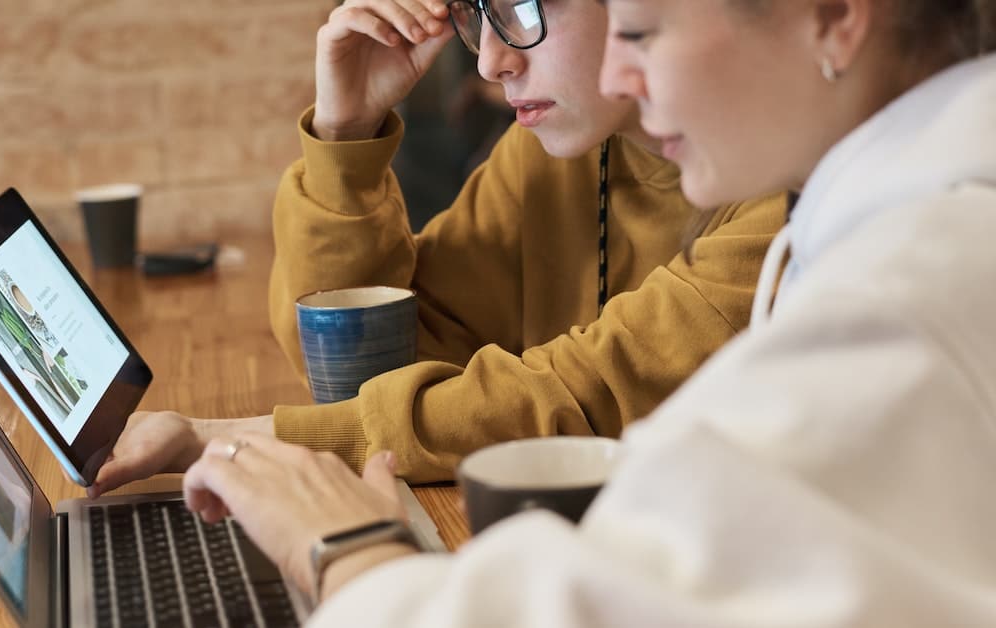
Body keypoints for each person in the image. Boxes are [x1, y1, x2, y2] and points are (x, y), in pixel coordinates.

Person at [172, 0, 996, 625]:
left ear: (835, 15)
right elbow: (370, 369)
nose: (617, 77)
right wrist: (346, 140)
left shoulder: (905, 285)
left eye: (641, 31)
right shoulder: (874, 217)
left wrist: (343, 541)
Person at [90, 0, 787, 493]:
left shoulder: (790, 196)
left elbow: (573, 398)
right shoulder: (558, 154)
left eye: (523, 4)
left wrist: (224, 440)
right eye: (473, 11)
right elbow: (364, 368)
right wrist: (345, 136)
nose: (490, 61)